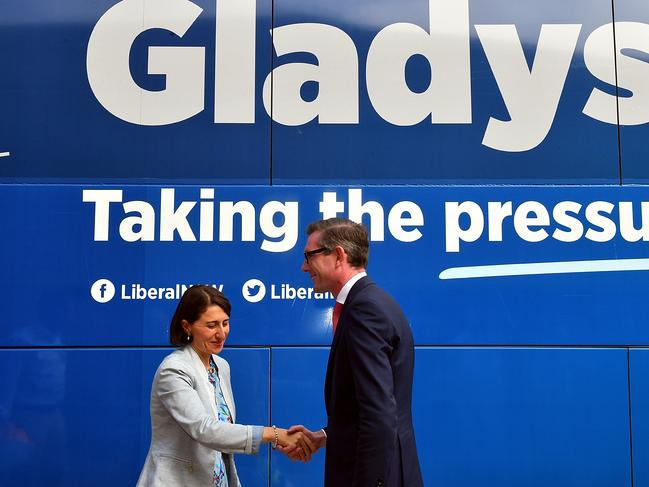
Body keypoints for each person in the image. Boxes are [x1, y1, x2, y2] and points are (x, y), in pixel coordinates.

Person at [286, 218, 424, 487]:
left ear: (338, 255)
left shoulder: (364, 310)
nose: (304, 266)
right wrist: (326, 437)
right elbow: (364, 411)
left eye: (309, 256)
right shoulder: (370, 302)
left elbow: (379, 413)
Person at [137, 285, 313, 487]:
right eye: (211, 325)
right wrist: (274, 434)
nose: (221, 334)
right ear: (187, 326)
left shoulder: (221, 366)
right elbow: (204, 429)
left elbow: (224, 433)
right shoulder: (174, 369)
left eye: (225, 323)